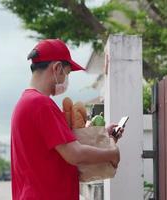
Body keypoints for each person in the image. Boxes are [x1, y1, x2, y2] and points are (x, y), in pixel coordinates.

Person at [11, 39, 123, 200]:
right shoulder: (42, 104)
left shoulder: (26, 102)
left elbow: (62, 149)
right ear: (57, 68)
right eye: (67, 73)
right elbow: (75, 154)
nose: (66, 80)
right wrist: (112, 153)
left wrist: (104, 136)